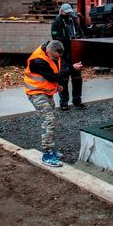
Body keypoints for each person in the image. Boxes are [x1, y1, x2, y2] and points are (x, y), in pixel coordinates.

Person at [24, 40, 82, 168]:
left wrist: (58, 85)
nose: (56, 59)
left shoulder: (53, 53)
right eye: (54, 57)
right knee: (48, 119)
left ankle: (50, 150)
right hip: (36, 93)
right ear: (48, 51)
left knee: (52, 120)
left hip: (46, 92)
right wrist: (72, 69)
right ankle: (47, 154)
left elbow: (55, 73)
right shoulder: (38, 61)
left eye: (58, 57)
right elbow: (52, 76)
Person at [51, 3, 85, 111]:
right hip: (64, 55)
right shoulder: (56, 22)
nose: (68, 14)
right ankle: (64, 102)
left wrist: (81, 40)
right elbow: (55, 37)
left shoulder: (74, 20)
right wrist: (68, 39)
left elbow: (80, 32)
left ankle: (77, 100)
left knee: (77, 79)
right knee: (63, 79)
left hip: (75, 53)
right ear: (61, 11)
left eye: (69, 12)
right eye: (66, 12)